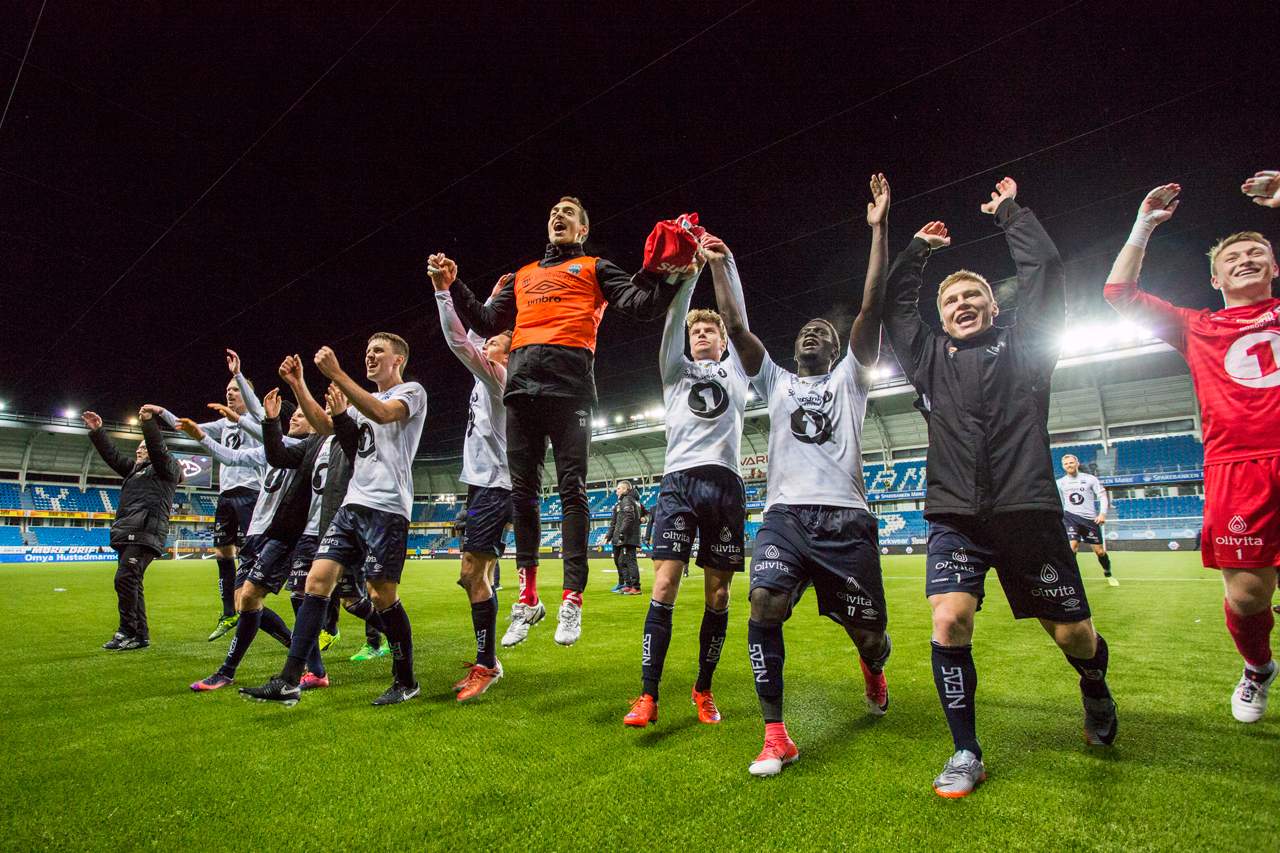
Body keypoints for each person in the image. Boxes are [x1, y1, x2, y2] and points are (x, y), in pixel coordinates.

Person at [884, 177, 1117, 799]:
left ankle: (1094, 685)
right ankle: (965, 750)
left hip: (1028, 515)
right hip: (955, 519)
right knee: (949, 620)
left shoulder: (1029, 349)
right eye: (951, 300)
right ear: (941, 318)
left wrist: (1010, 213)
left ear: (994, 307)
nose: (961, 304)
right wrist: (915, 251)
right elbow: (894, 310)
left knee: (1073, 635)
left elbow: (1045, 270)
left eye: (973, 295)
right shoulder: (928, 358)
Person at [431, 198, 686, 646]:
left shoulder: (593, 267)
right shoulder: (523, 275)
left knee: (573, 490)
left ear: (583, 229)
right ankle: (528, 598)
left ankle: (572, 599)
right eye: (553, 211)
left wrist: (671, 274)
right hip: (522, 389)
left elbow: (639, 304)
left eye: (569, 212)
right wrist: (455, 286)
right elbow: (489, 320)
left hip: (571, 389)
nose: (558, 215)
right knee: (523, 494)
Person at [712, 175, 892, 777]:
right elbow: (737, 328)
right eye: (803, 332)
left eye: (823, 333)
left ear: (839, 349)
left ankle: (872, 668)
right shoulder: (776, 383)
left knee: (871, 637)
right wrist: (723, 265)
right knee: (763, 602)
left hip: (846, 520)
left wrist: (879, 229)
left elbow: (871, 307)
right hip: (786, 518)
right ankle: (775, 733)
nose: (810, 334)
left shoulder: (849, 381)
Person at [1104, 177, 1279, 723]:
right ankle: (1257, 669)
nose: (1246, 259)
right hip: (1237, 470)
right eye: (1233, 256)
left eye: (1257, 253)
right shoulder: (1197, 326)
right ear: (1214, 276)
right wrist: (1144, 224)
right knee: (1248, 597)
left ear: (1274, 267)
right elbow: (1119, 295)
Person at [240, 334, 427, 706]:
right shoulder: (359, 403)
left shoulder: (411, 391)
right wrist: (299, 384)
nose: (370, 356)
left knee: (380, 594)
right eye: (368, 351)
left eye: (378, 352)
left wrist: (339, 374)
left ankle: (405, 680)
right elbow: (325, 427)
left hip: (387, 507)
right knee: (316, 581)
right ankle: (290, 679)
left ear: (398, 360)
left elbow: (384, 414)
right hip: (351, 504)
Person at [622, 243, 749, 729]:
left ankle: (703, 688)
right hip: (679, 482)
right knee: (664, 583)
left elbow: (738, 319)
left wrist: (723, 264)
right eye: (696, 330)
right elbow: (674, 318)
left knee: (719, 596)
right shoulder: (674, 372)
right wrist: (691, 275)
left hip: (726, 486)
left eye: (708, 330)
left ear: (720, 341)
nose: (700, 334)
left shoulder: (736, 370)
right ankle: (648, 694)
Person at [180, 387, 328, 691]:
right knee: (247, 600)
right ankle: (311, 663)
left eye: (303, 415)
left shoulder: (310, 450)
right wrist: (202, 437)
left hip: (284, 534)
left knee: (252, 598)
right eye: (296, 415)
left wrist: (244, 413)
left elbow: (267, 430)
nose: (296, 419)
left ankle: (227, 671)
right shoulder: (272, 450)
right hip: (256, 533)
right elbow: (232, 457)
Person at [431, 270, 514, 700]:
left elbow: (460, 339)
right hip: (483, 484)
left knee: (470, 574)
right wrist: (493, 297)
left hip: (497, 485)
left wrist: (444, 293)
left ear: (506, 354)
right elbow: (476, 333)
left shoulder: (498, 378)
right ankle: (488, 657)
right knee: (474, 575)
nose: (487, 343)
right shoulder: (489, 376)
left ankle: (488, 663)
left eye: (495, 341)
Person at [277, 355, 389, 664]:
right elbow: (278, 453)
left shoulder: (351, 433)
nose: (322, 412)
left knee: (363, 593)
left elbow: (351, 441)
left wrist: (335, 387)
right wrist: (294, 389)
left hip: (358, 519)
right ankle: (302, 669)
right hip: (320, 526)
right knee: (313, 589)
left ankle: (384, 638)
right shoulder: (318, 443)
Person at [159, 352, 263, 641]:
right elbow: (187, 427)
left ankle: (251, 602)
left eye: (236, 390)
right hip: (226, 495)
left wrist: (239, 375)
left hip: (251, 493)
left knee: (250, 555)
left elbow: (256, 410)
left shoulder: (257, 419)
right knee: (222, 553)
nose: (230, 394)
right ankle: (229, 612)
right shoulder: (224, 425)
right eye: (228, 390)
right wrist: (160, 412)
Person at [84, 405, 181, 650]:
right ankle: (140, 636)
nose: (139, 449)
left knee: (125, 578)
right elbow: (113, 457)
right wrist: (98, 432)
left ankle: (127, 631)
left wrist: (148, 423)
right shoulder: (135, 471)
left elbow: (158, 449)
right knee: (131, 581)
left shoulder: (165, 468)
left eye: (144, 446)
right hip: (129, 531)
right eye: (137, 447)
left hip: (146, 532)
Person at [1056, 454, 1117, 585]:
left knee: (1100, 552)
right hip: (1070, 517)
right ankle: (1070, 578)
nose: (1069, 465)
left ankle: (1108, 572)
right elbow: (1058, 501)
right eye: (1066, 464)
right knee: (1072, 547)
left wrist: (1102, 514)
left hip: (1089, 520)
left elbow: (1102, 495)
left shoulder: (1090, 479)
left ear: (1077, 463)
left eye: (1071, 462)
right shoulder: (1060, 483)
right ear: (1063, 466)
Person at [608, 481, 645, 595]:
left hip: (629, 536)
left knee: (630, 561)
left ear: (625, 489)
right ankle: (628, 585)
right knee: (623, 561)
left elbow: (629, 517)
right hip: (630, 535)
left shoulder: (627, 500)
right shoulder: (634, 501)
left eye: (619, 488)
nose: (616, 491)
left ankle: (636, 587)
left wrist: (622, 532)